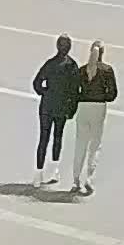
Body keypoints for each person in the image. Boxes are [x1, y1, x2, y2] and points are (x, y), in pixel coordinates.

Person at [69, 39, 118, 195]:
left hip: (83, 108)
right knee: (95, 144)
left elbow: (74, 91)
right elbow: (113, 94)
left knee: (80, 144)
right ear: (102, 53)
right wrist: (103, 96)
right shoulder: (107, 70)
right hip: (98, 108)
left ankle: (75, 179)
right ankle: (89, 177)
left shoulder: (82, 70)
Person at [32, 34, 81, 186]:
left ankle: (38, 174)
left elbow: (37, 82)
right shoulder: (72, 65)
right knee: (57, 137)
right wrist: (72, 109)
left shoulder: (50, 63)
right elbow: (75, 91)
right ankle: (54, 170)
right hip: (61, 107)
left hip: (47, 106)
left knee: (43, 139)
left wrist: (44, 92)